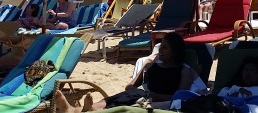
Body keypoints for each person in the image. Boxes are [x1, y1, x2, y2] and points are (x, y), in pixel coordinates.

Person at [55, 32, 201, 111]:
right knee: (114, 98)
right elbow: (130, 86)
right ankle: (78, 109)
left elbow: (179, 98)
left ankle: (85, 110)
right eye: (160, 46)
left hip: (155, 102)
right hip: (141, 94)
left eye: (165, 48)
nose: (160, 50)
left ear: (175, 51)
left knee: (123, 103)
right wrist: (145, 67)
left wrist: (153, 95)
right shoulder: (152, 65)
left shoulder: (183, 71)